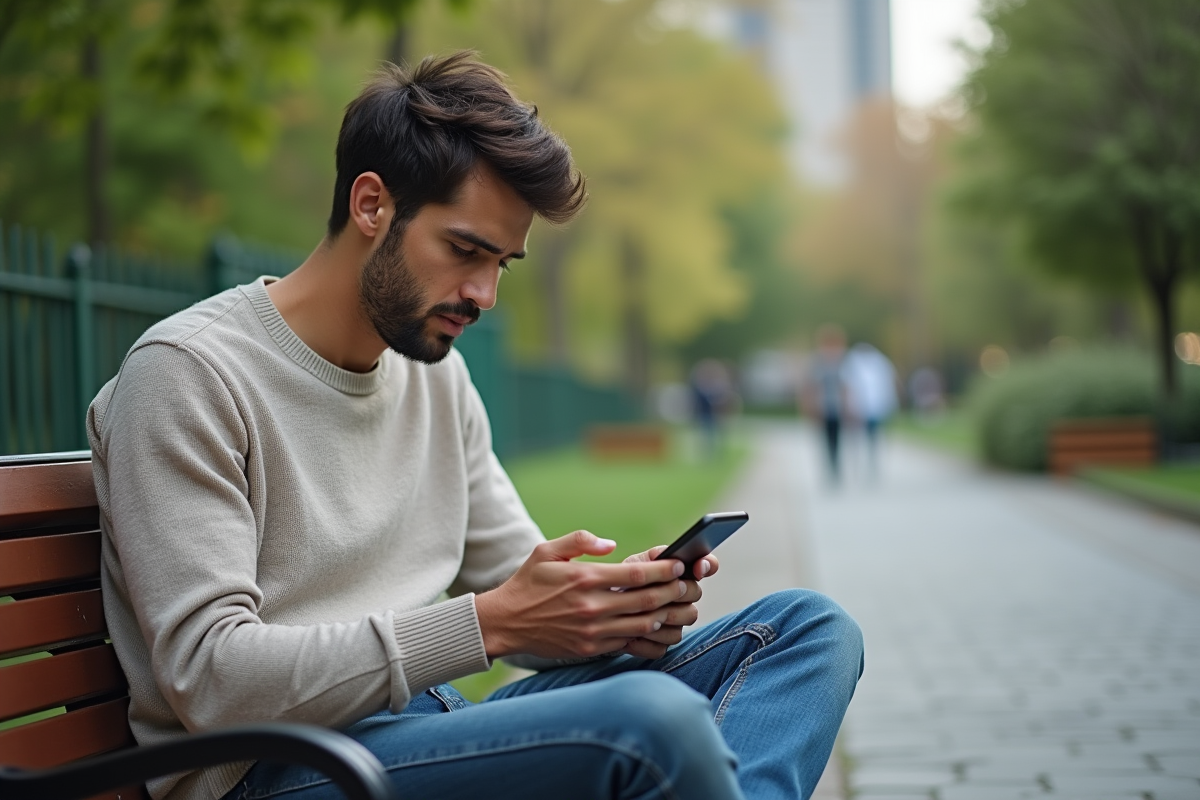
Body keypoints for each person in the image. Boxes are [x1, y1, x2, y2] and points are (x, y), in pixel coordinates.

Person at [87, 53, 863, 800]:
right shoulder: (189, 372)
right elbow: (212, 681)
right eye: (464, 250)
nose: (484, 293)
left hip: (427, 735)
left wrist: (613, 611)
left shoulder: (436, 375)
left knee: (806, 633)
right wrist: (489, 623)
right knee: (651, 723)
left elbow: (519, 604)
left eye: (504, 263)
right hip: (274, 770)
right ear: (370, 205)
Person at [800, 324, 849, 483]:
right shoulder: (816, 361)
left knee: (837, 439)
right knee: (825, 439)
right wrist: (808, 407)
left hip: (837, 407)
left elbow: (846, 386)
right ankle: (829, 467)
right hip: (821, 407)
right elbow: (809, 386)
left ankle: (835, 466)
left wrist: (848, 405)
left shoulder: (841, 361)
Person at [841, 342, 898, 478]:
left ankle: (871, 463)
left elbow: (888, 384)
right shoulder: (852, 364)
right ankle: (859, 464)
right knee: (857, 438)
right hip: (858, 408)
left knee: (873, 437)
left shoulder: (880, 363)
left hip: (875, 408)